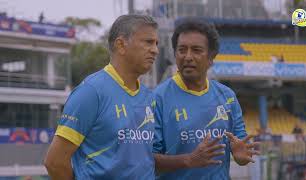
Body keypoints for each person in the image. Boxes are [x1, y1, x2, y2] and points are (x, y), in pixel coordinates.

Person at [44, 14, 159, 180]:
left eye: (156, 43)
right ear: (121, 45)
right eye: (148, 42)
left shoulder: (149, 97)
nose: (155, 50)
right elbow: (54, 162)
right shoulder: (91, 92)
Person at [153, 19, 260, 179]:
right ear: (175, 55)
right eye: (182, 50)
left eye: (196, 50)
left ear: (211, 58)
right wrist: (188, 160)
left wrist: (241, 156)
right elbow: (146, 160)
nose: (188, 57)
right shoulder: (157, 99)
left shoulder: (227, 96)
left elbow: (240, 148)